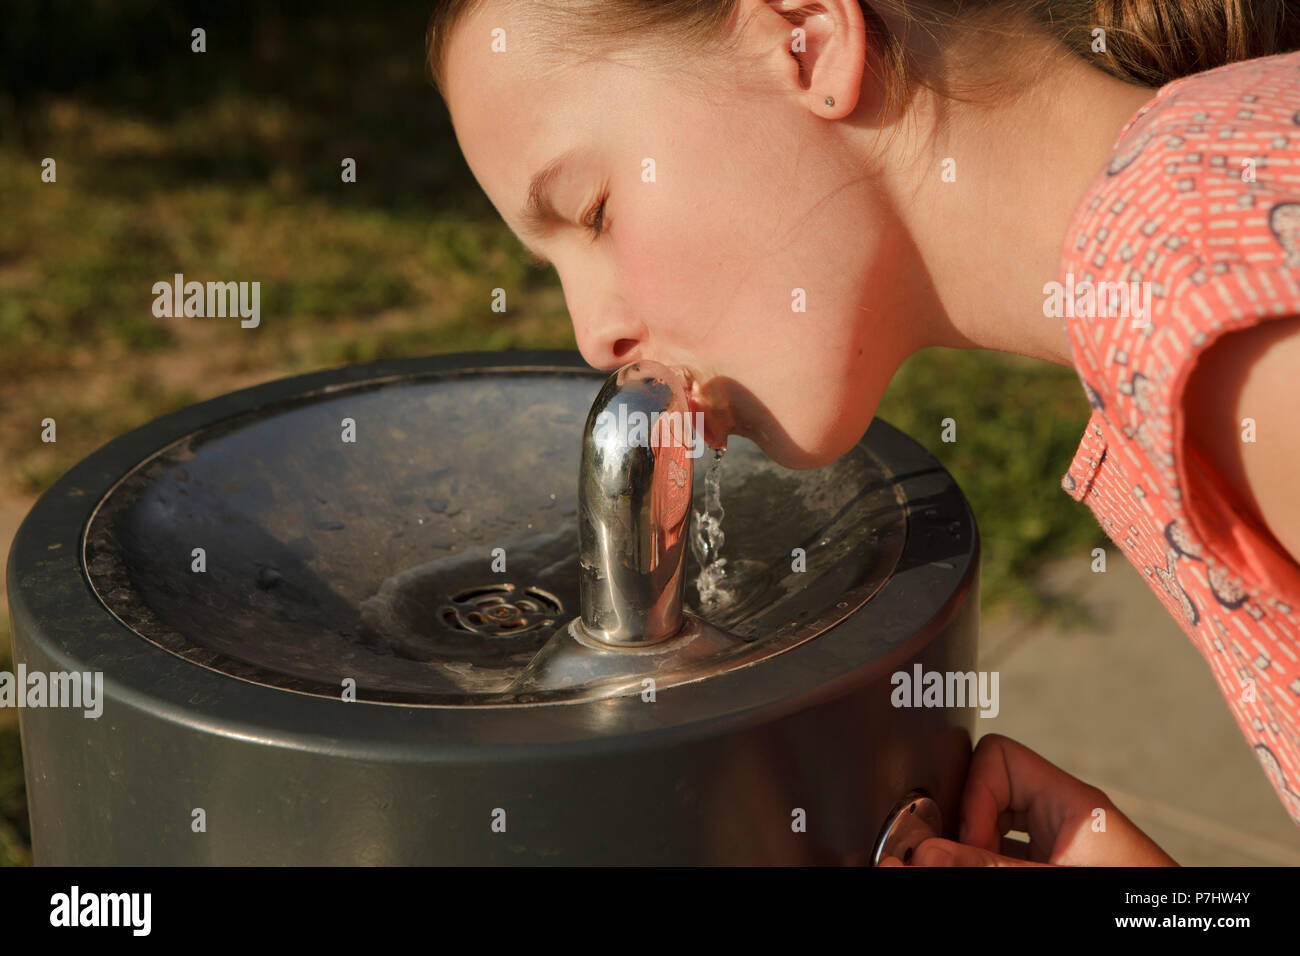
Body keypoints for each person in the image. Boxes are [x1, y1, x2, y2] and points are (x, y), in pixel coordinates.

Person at [427, 0, 1300, 864]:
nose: (593, 337)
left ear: (805, 43)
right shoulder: (1199, 227)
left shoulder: (1205, 290)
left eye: (593, 213)